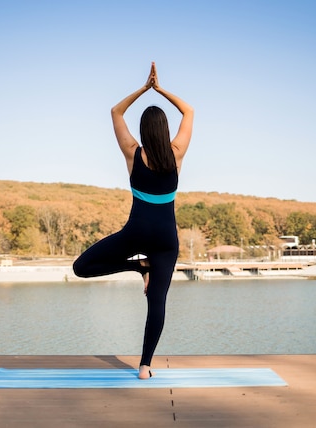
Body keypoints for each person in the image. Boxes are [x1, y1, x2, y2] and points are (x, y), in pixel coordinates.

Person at [73, 62, 194, 379]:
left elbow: (115, 111)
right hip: (166, 241)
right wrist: (161, 89)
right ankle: (145, 366)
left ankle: (137, 266)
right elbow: (190, 112)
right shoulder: (177, 152)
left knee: (81, 268)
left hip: (136, 235)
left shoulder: (131, 152)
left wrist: (144, 88)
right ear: (165, 130)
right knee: (157, 303)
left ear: (142, 130)